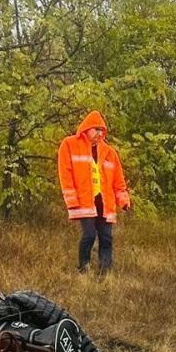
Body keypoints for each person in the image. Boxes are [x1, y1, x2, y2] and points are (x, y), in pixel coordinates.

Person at [57, 111, 130, 274]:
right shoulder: (69, 144)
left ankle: (105, 273)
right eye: (96, 129)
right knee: (89, 235)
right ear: (87, 128)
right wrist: (71, 200)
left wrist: (123, 200)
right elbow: (65, 174)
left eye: (101, 130)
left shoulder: (110, 153)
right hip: (84, 201)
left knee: (106, 238)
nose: (99, 133)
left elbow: (118, 181)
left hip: (105, 203)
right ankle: (84, 269)